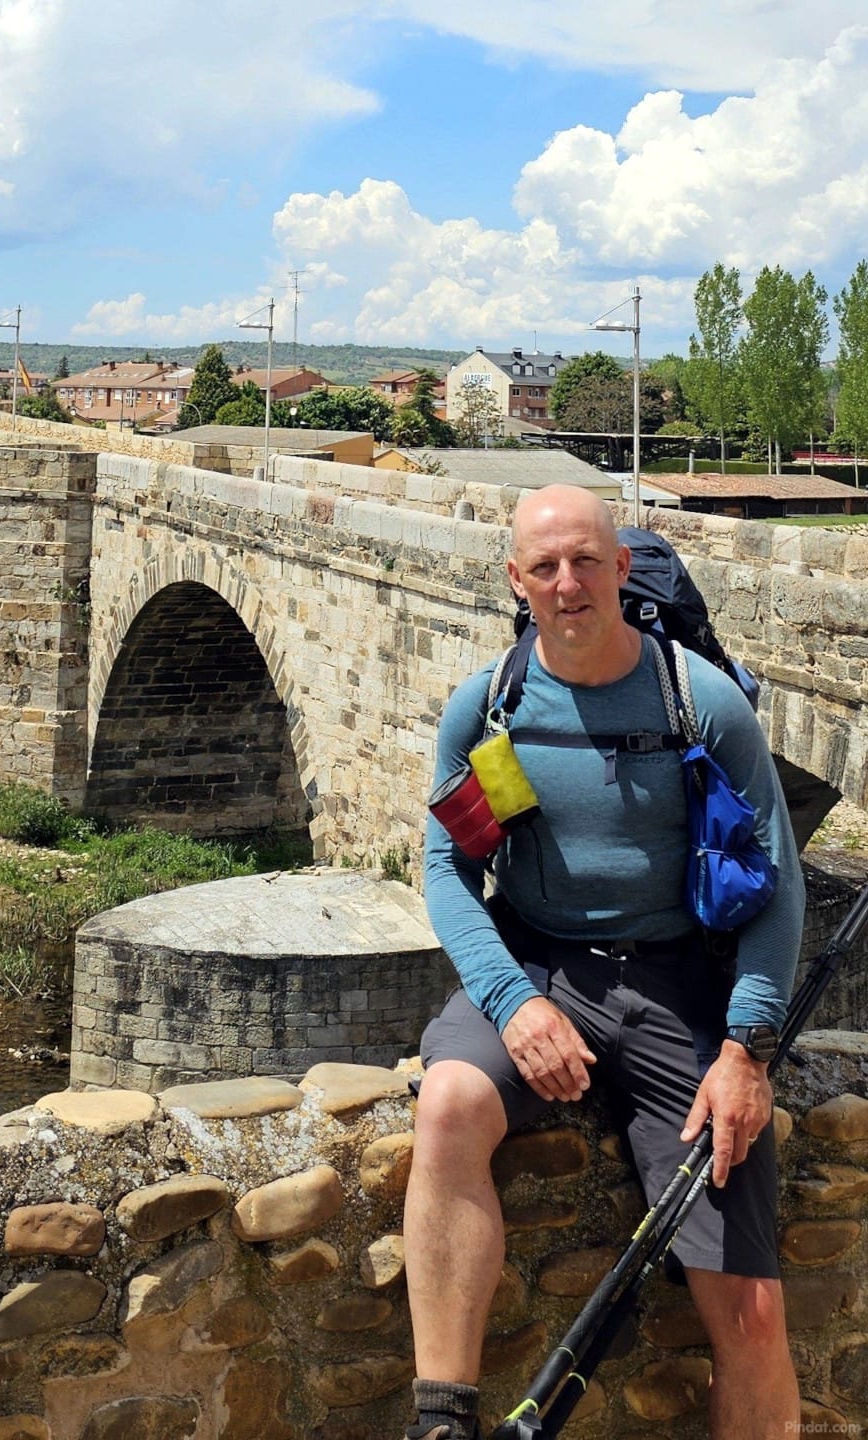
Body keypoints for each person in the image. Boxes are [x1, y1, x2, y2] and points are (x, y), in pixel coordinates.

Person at [404, 485, 804, 1440]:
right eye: (545, 566)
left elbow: (777, 886)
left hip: (679, 987)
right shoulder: (494, 710)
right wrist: (508, 1003)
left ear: (622, 567)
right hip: (539, 966)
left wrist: (746, 1050)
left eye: (587, 560)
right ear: (517, 579)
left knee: (750, 1313)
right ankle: (443, 1417)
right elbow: (449, 871)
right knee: (449, 1105)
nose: (568, 582)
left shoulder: (698, 704)